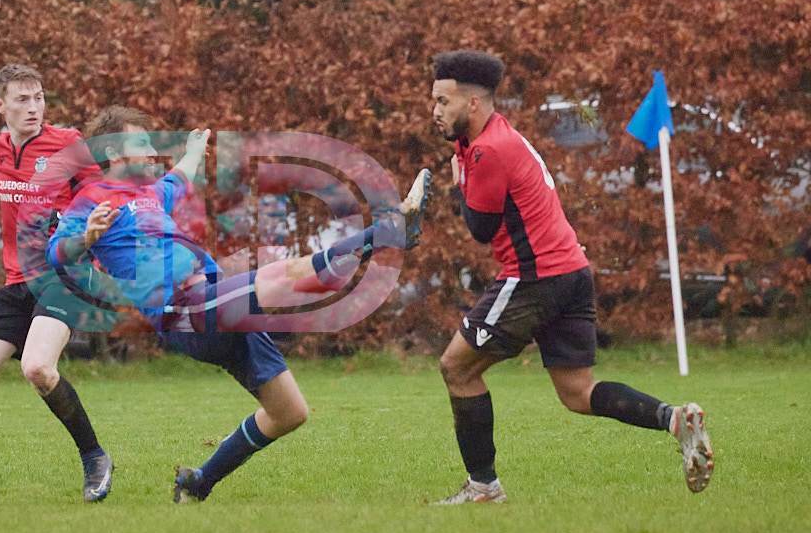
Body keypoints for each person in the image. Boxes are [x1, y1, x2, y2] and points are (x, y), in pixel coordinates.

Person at [47, 106, 431, 502]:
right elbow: (55, 253)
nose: (150, 151)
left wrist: (194, 150)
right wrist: (87, 238)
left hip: (215, 302)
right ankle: (389, 231)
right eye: (140, 142)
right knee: (282, 277)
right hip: (184, 310)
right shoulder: (90, 201)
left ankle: (198, 483)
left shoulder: (150, 193)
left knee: (289, 412)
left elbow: (180, 176)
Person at [428, 49, 714, 504]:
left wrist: (458, 180)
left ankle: (483, 487)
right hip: (570, 272)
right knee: (578, 392)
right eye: (435, 101)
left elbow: (481, 229)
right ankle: (674, 419)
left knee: (456, 368)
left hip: (535, 277)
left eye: (444, 101)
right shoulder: (493, 138)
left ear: (474, 103)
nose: (435, 110)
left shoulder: (487, 150)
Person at [0, 64, 114, 505]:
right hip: (18, 282)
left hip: (65, 275)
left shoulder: (68, 144)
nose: (34, 107)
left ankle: (95, 457)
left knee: (37, 368)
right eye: (22, 99)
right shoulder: (1, 149)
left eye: (38, 97)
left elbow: (105, 197)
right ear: (1, 106)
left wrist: (78, 223)